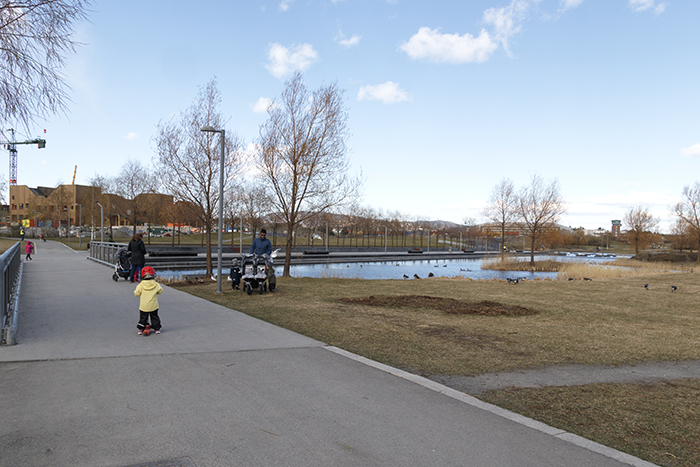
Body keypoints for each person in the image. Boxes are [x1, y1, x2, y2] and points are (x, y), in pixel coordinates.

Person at [134, 266, 163, 335]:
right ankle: (157, 328)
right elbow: (160, 291)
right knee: (154, 317)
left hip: (144, 306)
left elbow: (136, 294)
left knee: (143, 317)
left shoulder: (141, 285)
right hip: (153, 305)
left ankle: (140, 329)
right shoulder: (156, 284)